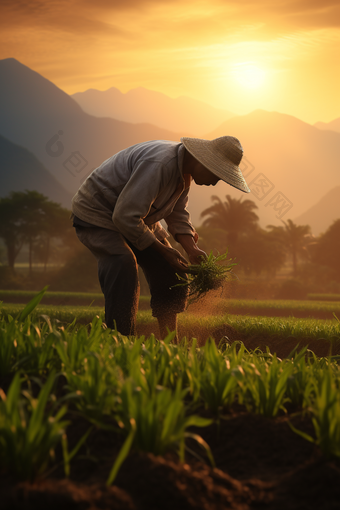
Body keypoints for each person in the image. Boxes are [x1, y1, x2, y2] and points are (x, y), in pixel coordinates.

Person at [71, 136, 250, 339]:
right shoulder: (160, 164)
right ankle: (119, 338)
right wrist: (165, 250)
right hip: (98, 212)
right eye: (217, 174)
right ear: (203, 162)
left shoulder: (184, 172)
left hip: (137, 216)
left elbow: (177, 213)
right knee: (122, 262)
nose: (215, 182)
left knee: (171, 270)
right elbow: (125, 216)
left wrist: (191, 249)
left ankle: (169, 340)